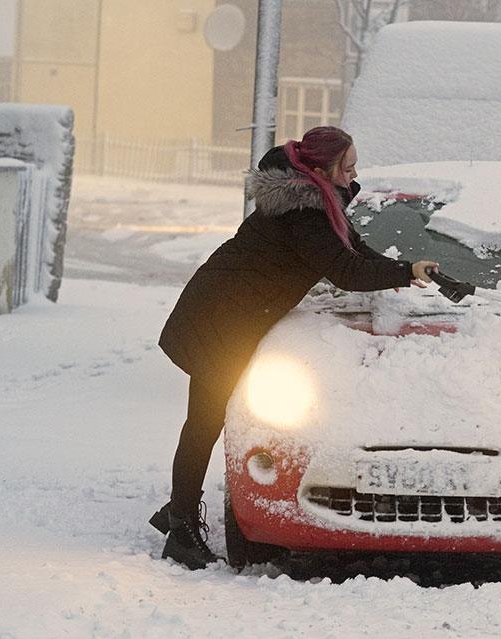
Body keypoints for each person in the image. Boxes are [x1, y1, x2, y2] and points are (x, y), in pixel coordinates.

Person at [150, 126, 439, 570]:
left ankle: (177, 510)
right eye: (349, 166)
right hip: (222, 317)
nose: (355, 173)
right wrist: (403, 273)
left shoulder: (319, 202)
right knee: (204, 422)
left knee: (205, 420)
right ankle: (182, 529)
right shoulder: (305, 212)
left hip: (231, 308)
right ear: (323, 169)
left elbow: (356, 250)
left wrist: (409, 269)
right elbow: (346, 271)